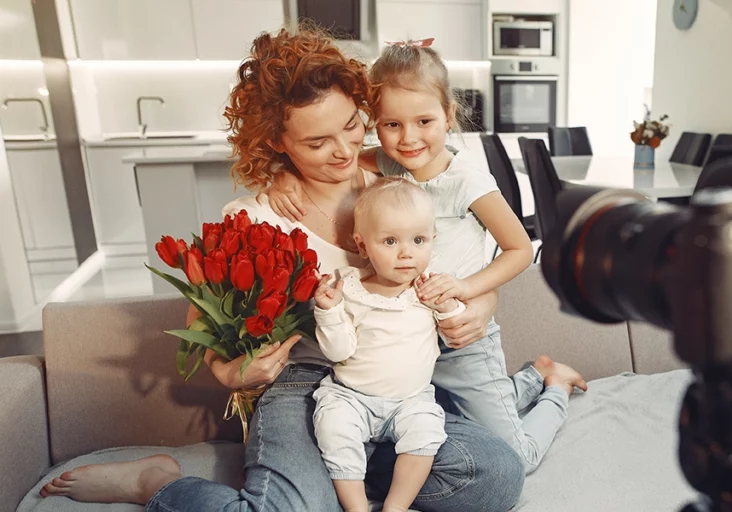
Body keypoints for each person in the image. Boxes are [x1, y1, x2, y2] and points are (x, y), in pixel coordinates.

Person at [39, 27, 524, 512]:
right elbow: (200, 327)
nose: (343, 151)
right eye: (316, 142)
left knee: (497, 477)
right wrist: (231, 373)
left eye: (353, 125)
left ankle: (340, 476)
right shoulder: (256, 217)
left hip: (402, 385)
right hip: (308, 385)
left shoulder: (400, 180)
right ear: (277, 141)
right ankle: (157, 483)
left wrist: (482, 303)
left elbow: (467, 260)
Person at [267, 38, 587, 474]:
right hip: (412, 346)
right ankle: (528, 380)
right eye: (391, 124)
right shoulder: (388, 163)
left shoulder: (467, 180)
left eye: (424, 121)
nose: (409, 138)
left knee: (518, 458)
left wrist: (469, 288)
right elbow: (325, 162)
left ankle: (555, 386)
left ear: (449, 115)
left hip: (461, 343)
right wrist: (282, 175)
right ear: (376, 125)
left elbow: (519, 249)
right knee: (462, 421)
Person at [311, 178, 462, 512]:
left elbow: (455, 336)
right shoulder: (348, 287)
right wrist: (329, 311)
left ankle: (396, 505)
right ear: (362, 246)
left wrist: (447, 306)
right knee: (333, 429)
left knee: (426, 433)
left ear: (432, 242)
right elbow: (337, 352)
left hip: (411, 399)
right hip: (351, 395)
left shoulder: (429, 289)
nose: (406, 252)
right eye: (390, 241)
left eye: (418, 240)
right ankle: (356, 507)